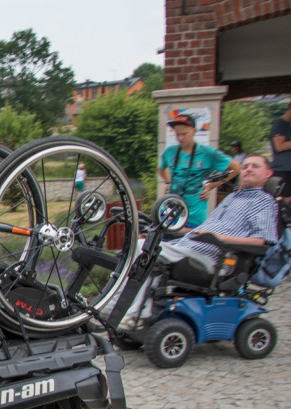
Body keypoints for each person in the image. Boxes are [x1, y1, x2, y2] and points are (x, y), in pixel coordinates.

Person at [120, 154, 278, 328]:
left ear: (267, 173)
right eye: (246, 166)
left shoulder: (264, 202)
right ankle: (120, 310)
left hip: (215, 259)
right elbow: (201, 230)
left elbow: (263, 241)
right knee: (139, 246)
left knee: (145, 250)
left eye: (255, 166)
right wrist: (161, 230)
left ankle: (133, 314)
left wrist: (221, 238)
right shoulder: (233, 198)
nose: (248, 169)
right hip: (190, 247)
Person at [158, 114, 240, 228]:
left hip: (194, 216)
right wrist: (167, 182)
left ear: (194, 131)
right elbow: (160, 168)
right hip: (169, 213)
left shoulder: (208, 152)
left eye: (184, 134)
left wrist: (211, 186)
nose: (180, 138)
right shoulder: (169, 151)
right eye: (177, 134)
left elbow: (236, 168)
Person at [270, 103, 291, 192]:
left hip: (287, 169)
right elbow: (279, 146)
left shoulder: (287, 125)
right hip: (283, 170)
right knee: (285, 199)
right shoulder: (280, 125)